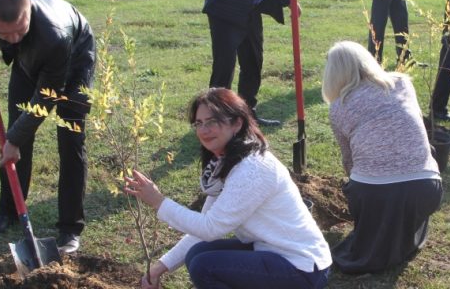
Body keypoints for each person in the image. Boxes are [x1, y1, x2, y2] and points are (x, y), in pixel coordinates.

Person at [124, 88, 332, 289]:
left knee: (204, 266)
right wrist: (160, 267)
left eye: (212, 122)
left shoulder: (252, 169)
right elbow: (204, 231)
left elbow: (210, 227)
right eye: (199, 123)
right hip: (271, 250)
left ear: (237, 123)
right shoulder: (227, 161)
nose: (204, 130)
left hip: (302, 268)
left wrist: (159, 201)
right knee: (197, 254)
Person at [0, 0, 95, 254]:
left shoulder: (54, 35)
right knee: (17, 131)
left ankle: (70, 228)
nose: (12, 39)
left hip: (74, 56)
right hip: (30, 58)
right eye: (4, 34)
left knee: (70, 139)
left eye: (19, 30)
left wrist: (13, 140)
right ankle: (9, 211)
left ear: (29, 15)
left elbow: (46, 98)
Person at [322, 41, 443, 274]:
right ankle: (406, 232)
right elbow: (415, 128)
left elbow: (348, 159)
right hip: (425, 189)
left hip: (372, 194)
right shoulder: (401, 83)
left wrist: (359, 190)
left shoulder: (338, 107)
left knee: (376, 195)